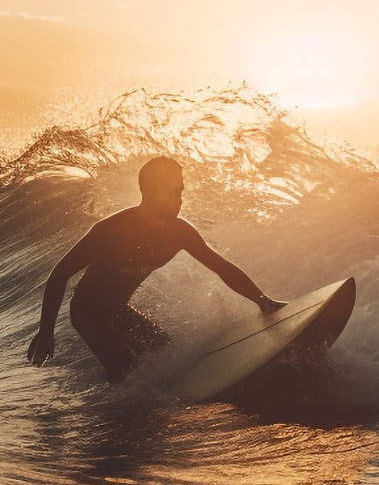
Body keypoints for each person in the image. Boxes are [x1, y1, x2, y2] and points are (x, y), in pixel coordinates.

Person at [27, 156, 284, 380]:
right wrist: (47, 331)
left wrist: (262, 301)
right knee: (127, 370)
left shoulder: (180, 233)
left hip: (119, 310)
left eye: (181, 191)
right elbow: (60, 273)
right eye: (172, 192)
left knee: (165, 352)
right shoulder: (111, 231)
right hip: (87, 312)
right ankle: (115, 415)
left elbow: (220, 267)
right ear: (149, 191)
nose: (180, 199)